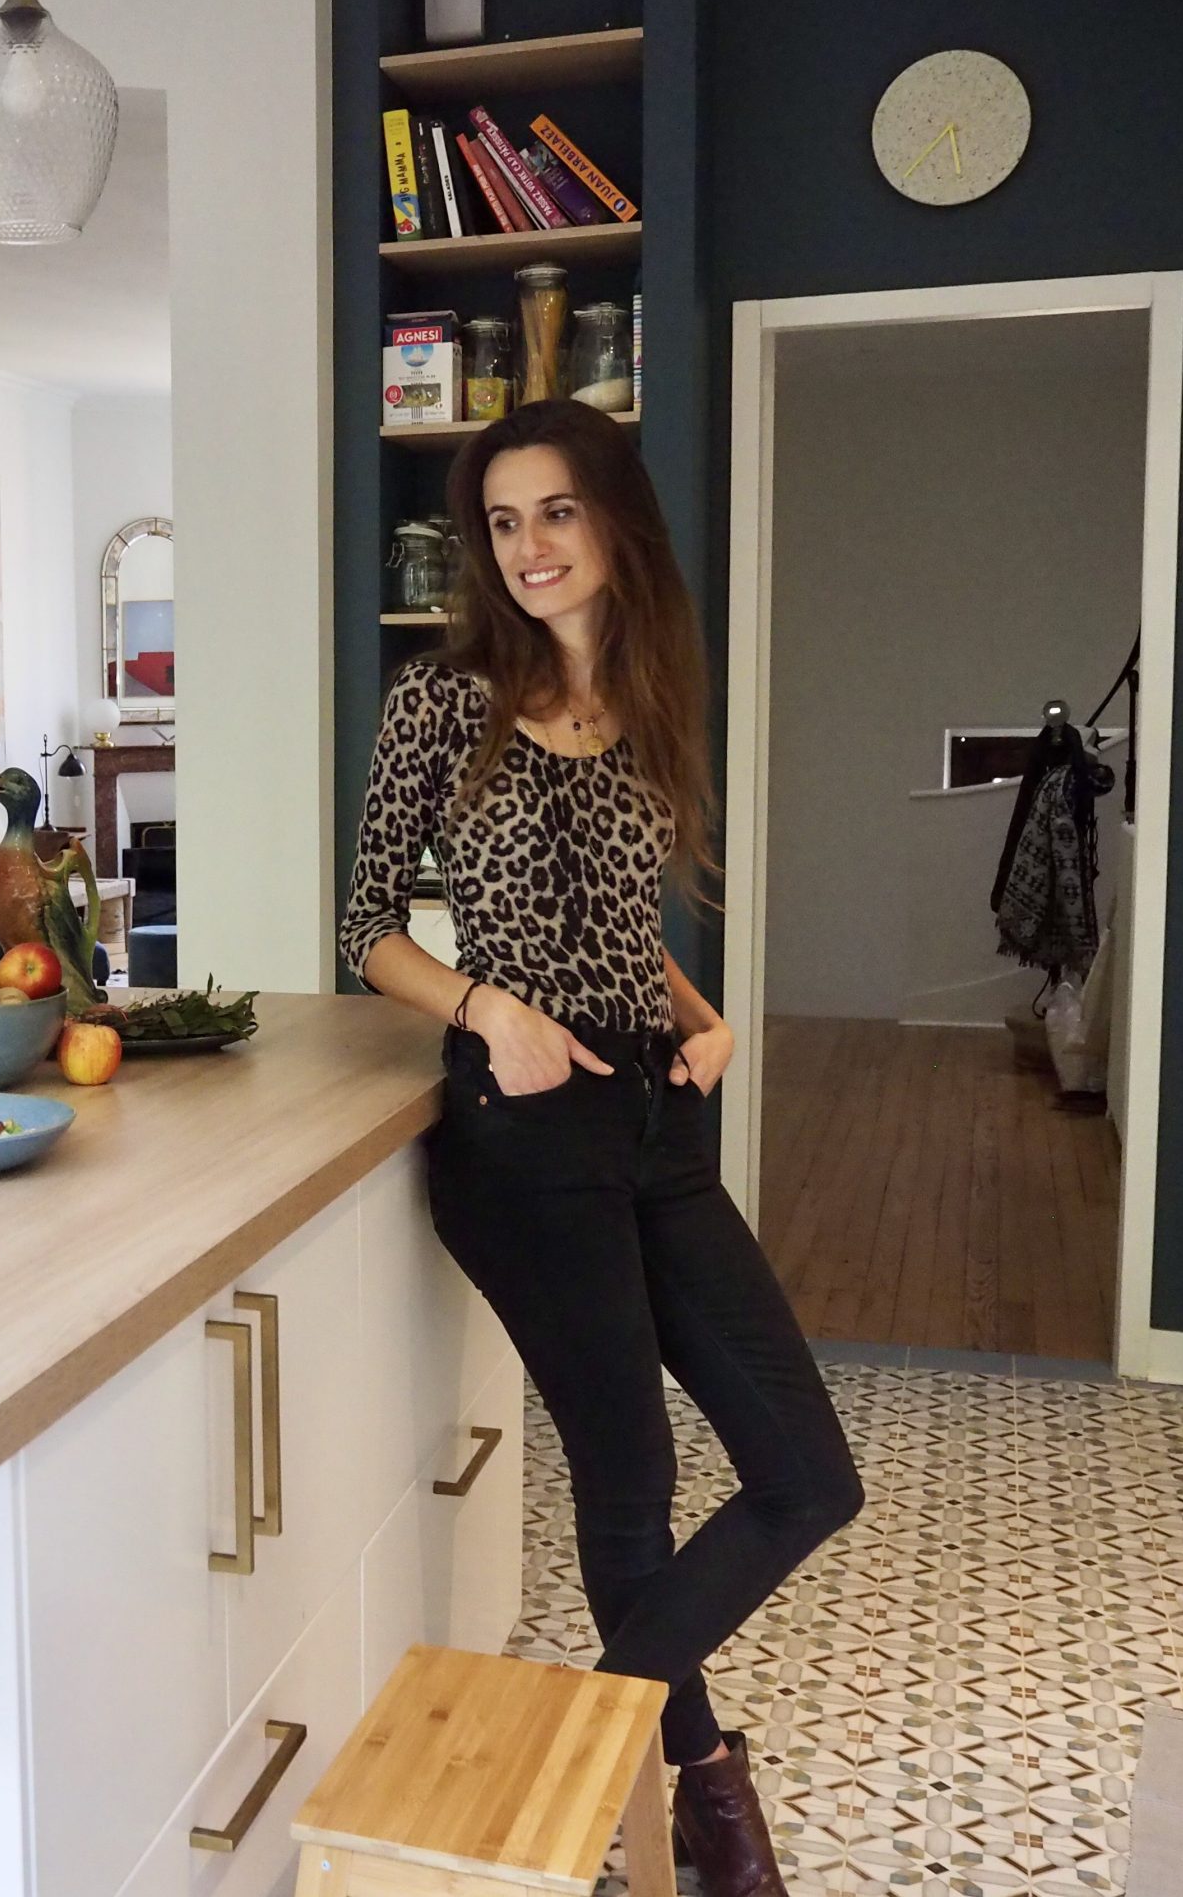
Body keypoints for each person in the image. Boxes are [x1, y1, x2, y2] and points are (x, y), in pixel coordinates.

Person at [339, 399, 863, 1897]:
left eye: (555, 512)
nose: (529, 548)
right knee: (627, 1485)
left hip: (656, 1120)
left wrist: (711, 1017)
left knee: (808, 1476)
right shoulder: (442, 700)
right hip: (522, 1135)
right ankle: (702, 1799)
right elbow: (364, 924)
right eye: (503, 523)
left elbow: (625, 925)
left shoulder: (651, 695)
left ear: (616, 519)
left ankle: (560, 1758)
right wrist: (484, 1003)